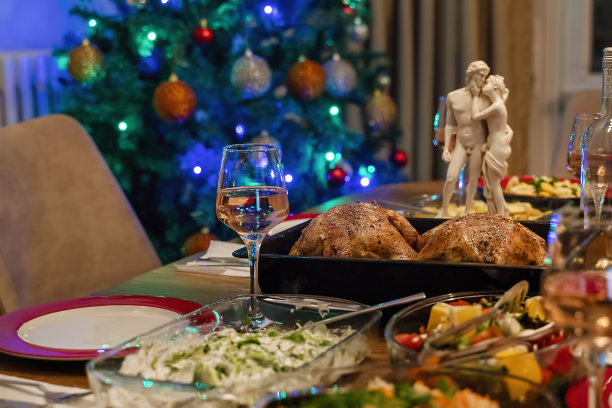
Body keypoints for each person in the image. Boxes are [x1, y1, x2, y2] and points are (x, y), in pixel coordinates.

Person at [437, 60, 490, 218]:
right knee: (451, 176)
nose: (483, 79)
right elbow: (449, 125)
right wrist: (447, 148)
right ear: (472, 74)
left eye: (485, 76)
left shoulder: (486, 98)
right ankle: (444, 209)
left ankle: (468, 211)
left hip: (478, 142)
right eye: (481, 76)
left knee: (473, 179)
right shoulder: (453, 96)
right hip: (460, 142)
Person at [471, 74, 512, 217]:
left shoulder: (497, 106)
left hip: (497, 147)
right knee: (491, 183)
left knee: (494, 184)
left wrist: (475, 96)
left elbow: (475, 116)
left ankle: (501, 215)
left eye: (487, 82)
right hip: (495, 146)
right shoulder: (499, 103)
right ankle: (502, 210)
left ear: (494, 87)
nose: (484, 85)